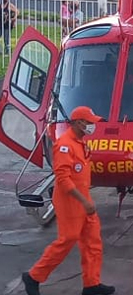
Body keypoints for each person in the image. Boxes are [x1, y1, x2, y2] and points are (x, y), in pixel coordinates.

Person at [22, 106, 115, 295]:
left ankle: (92, 285)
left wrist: (86, 200)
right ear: (78, 122)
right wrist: (84, 201)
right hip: (70, 200)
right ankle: (33, 277)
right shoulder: (64, 145)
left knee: (92, 242)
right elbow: (63, 179)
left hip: (83, 198)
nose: (92, 126)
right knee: (68, 239)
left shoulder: (81, 143)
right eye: (89, 122)